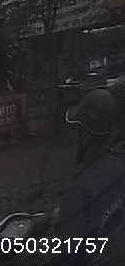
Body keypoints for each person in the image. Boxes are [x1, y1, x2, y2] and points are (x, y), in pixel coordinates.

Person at [52, 86, 125, 263]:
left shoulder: (80, 191)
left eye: (76, 130)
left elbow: (66, 256)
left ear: (85, 135)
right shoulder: (118, 168)